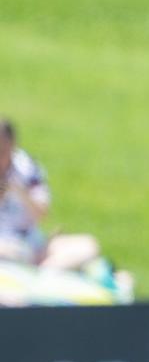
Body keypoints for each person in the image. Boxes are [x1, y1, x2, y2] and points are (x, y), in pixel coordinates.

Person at [0, 118, 130, 297]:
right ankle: (42, 275)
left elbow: (42, 213)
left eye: (4, 151)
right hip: (5, 246)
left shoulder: (26, 169)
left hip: (29, 244)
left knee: (88, 245)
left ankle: (41, 275)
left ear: (12, 146)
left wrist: (19, 191)